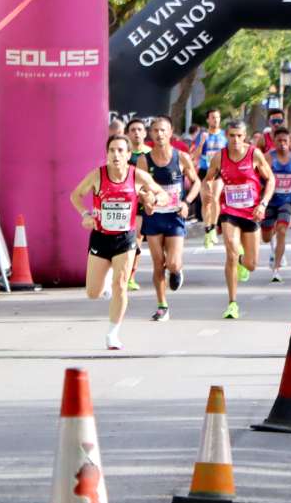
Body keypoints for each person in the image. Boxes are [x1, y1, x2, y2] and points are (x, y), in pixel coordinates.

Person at [69, 134, 169, 350]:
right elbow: (75, 195)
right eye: (112, 150)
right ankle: (104, 283)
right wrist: (85, 214)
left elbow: (163, 195)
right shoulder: (98, 175)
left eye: (121, 151)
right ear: (106, 153)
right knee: (92, 293)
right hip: (101, 237)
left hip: (125, 237)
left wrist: (152, 199)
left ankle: (113, 334)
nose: (116, 155)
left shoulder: (137, 176)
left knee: (121, 285)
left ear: (128, 155)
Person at [204, 119, 275, 319]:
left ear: (245, 137)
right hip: (229, 211)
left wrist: (263, 203)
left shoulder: (254, 154)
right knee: (231, 252)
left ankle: (244, 260)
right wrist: (207, 191)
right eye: (232, 136)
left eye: (239, 136)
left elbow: (270, 179)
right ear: (227, 136)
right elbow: (207, 178)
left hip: (252, 212)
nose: (235, 140)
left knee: (252, 265)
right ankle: (232, 303)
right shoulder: (220, 157)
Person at [137, 117, 201, 321]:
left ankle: (176, 272)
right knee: (158, 263)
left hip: (174, 216)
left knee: (172, 263)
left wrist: (187, 202)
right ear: (150, 134)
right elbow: (139, 187)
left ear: (171, 131)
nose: (159, 134)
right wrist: (145, 199)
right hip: (154, 216)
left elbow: (196, 183)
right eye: (155, 130)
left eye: (163, 130)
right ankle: (162, 306)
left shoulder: (181, 157)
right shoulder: (144, 160)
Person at [262, 126, 291, 283]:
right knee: (266, 236)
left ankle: (276, 269)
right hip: (270, 201)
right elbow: (258, 177)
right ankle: (274, 249)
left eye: (285, 141)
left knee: (282, 230)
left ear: (289, 142)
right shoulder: (268, 158)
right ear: (274, 142)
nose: (282, 143)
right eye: (279, 141)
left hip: (286, 200)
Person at [192, 109, 228, 248]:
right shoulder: (202, 135)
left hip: (219, 171)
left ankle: (213, 227)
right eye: (213, 117)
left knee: (214, 198)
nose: (216, 120)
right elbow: (195, 156)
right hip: (204, 171)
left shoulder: (225, 135)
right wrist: (201, 143)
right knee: (206, 201)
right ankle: (207, 229)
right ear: (208, 120)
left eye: (218, 117)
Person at [126, 118, 153, 292]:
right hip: (129, 201)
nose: (136, 132)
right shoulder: (123, 153)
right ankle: (130, 276)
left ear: (145, 133)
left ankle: (168, 267)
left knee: (151, 239)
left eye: (139, 129)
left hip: (149, 200)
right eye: (133, 129)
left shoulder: (152, 153)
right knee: (135, 240)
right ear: (128, 134)